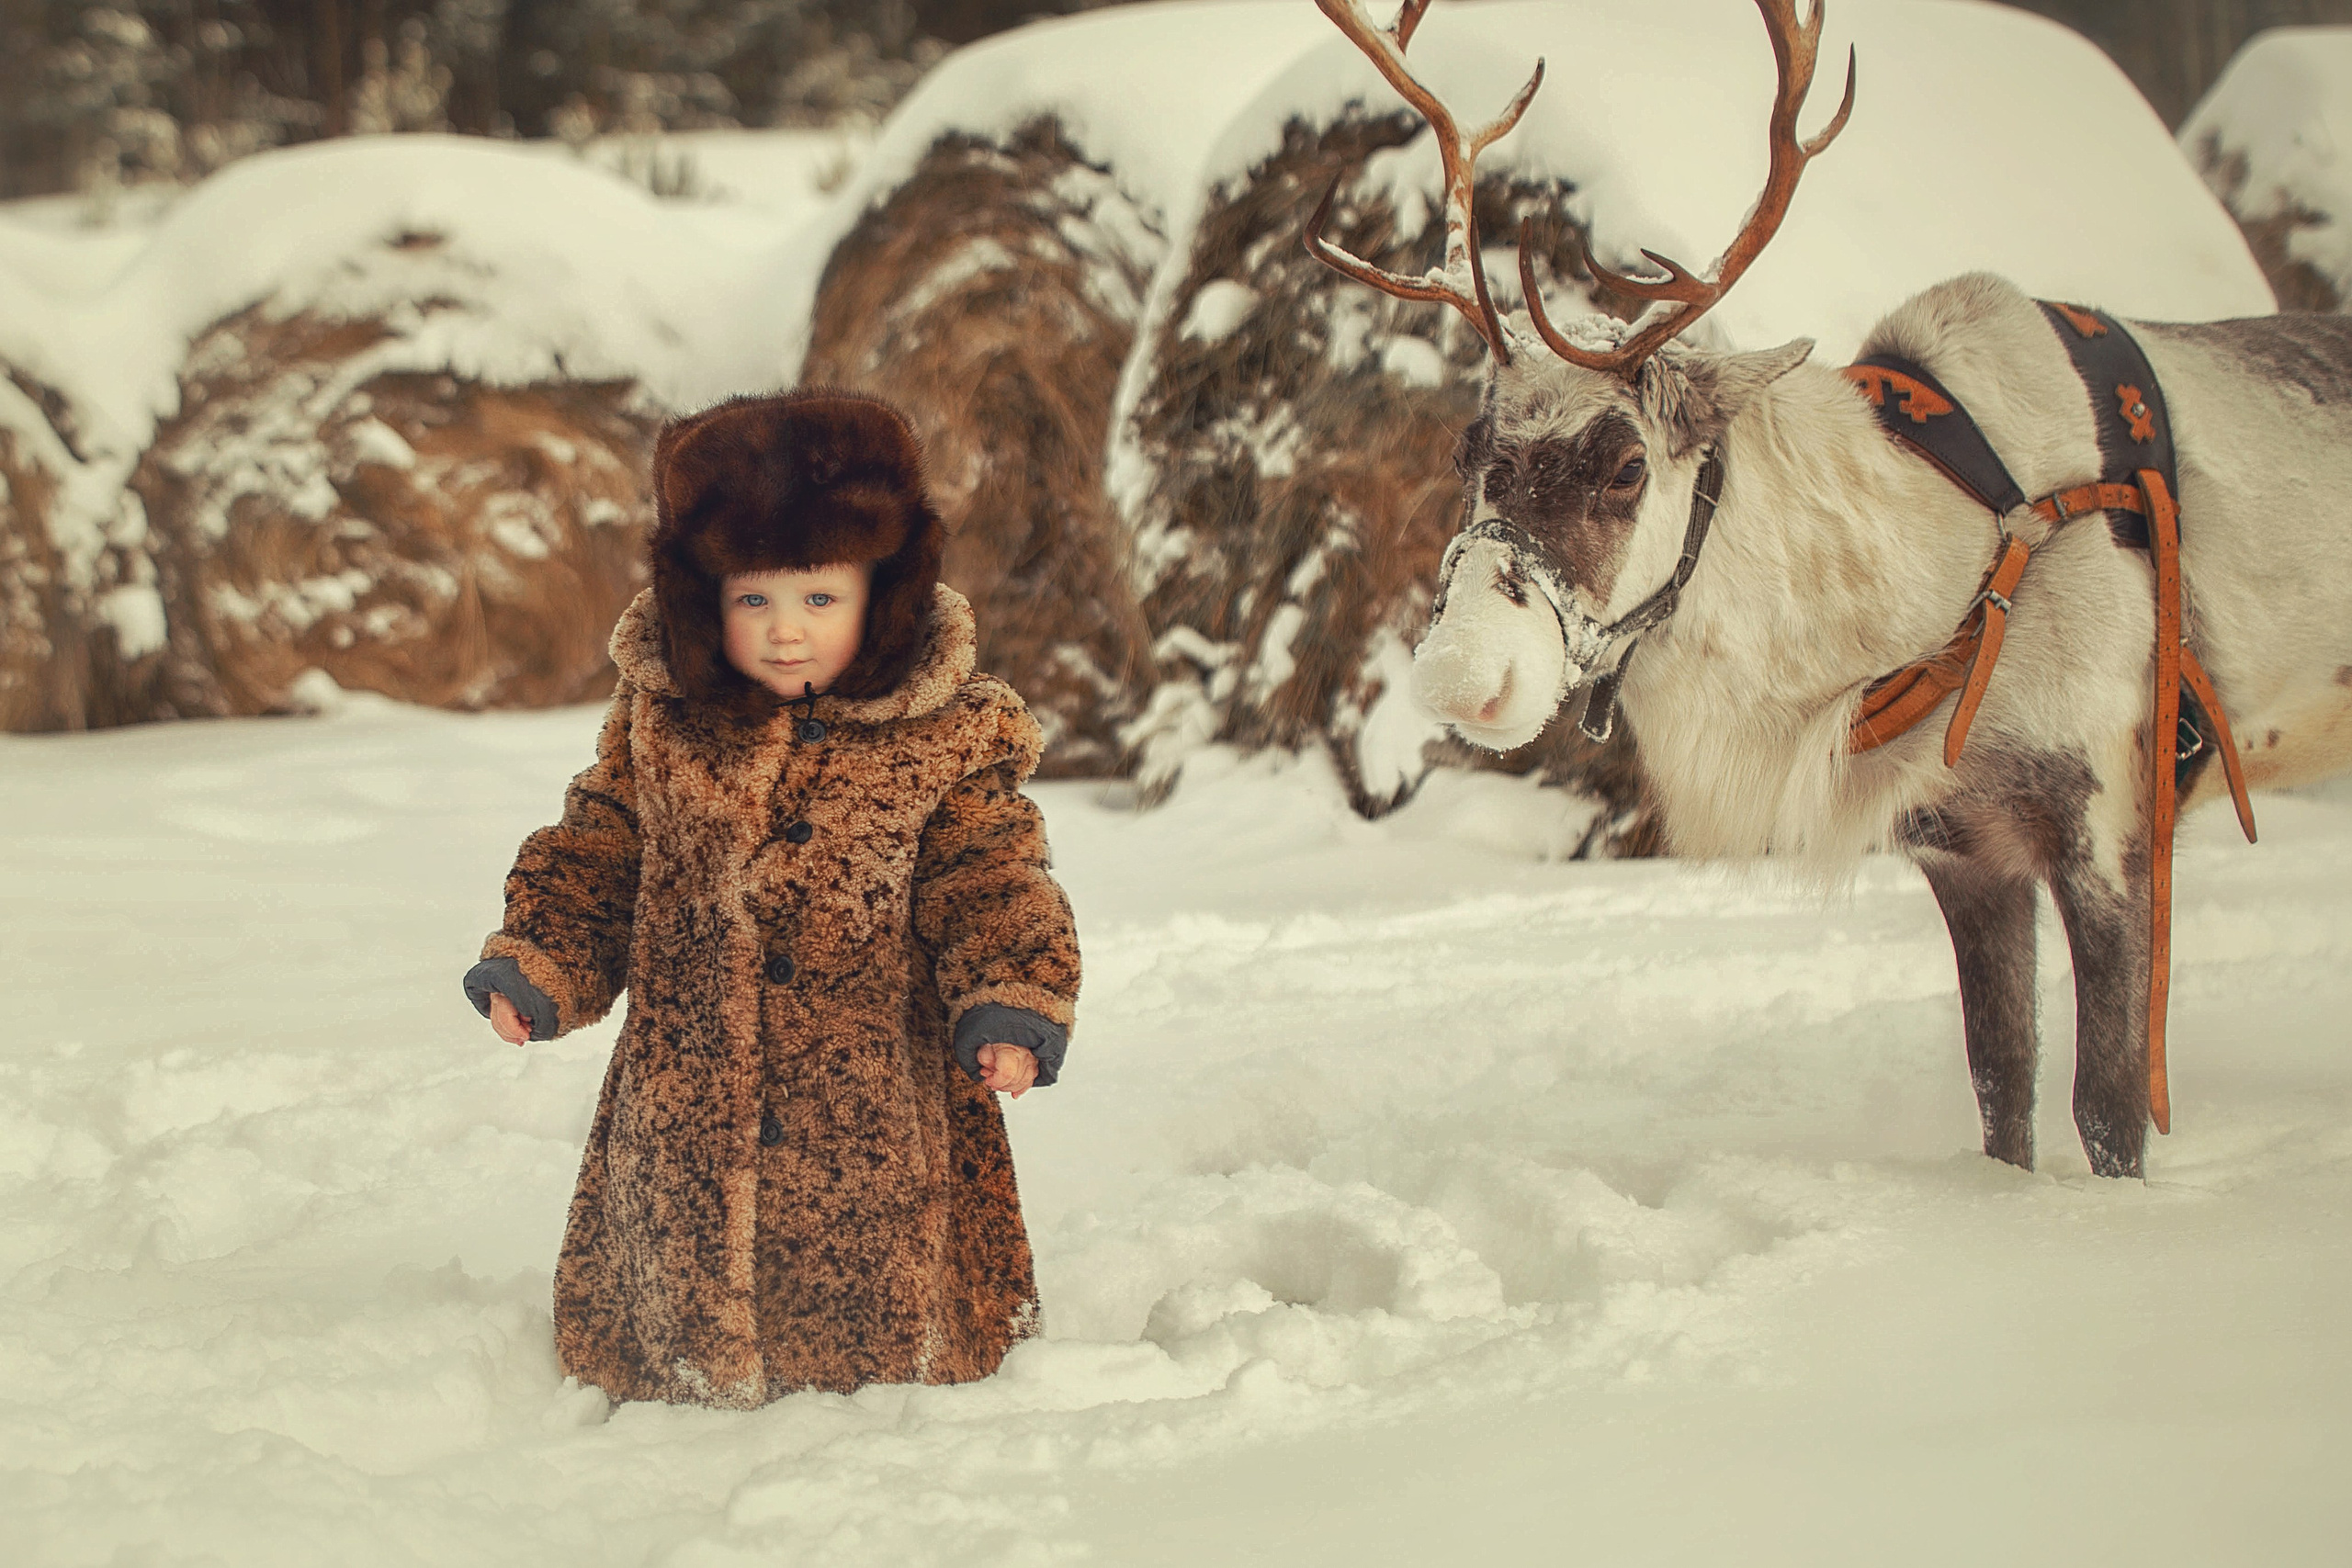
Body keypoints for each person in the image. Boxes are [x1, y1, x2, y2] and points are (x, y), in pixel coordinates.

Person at [462, 389, 1080, 1407]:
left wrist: (1011, 997)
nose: (786, 632)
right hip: (686, 1092)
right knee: (684, 1243)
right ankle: (676, 1364)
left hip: (879, 1094)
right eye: (755, 601)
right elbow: (598, 851)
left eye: (819, 600)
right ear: (705, 599)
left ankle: (880, 1390)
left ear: (882, 591)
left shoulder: (943, 737)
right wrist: (542, 961)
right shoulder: (663, 726)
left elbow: (993, 880)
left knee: (875, 1268)